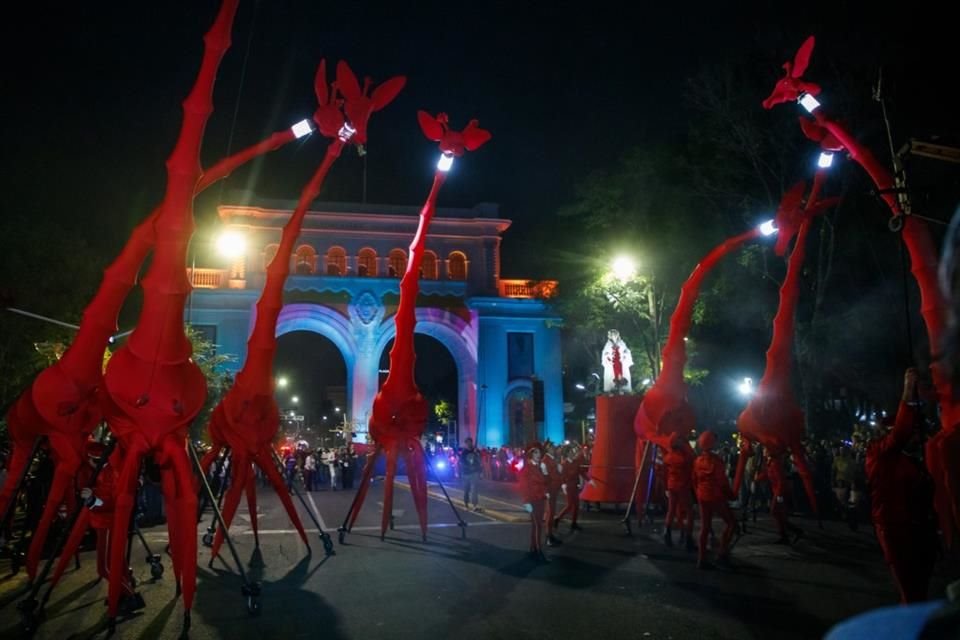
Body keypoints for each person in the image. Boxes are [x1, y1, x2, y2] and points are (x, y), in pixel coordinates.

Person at [866, 367, 938, 603]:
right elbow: (900, 434)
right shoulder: (879, 454)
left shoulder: (915, 458)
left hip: (920, 527)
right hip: (893, 526)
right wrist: (907, 392)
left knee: (921, 584)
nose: (915, 435)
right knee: (909, 588)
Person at [693, 430, 738, 569]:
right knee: (731, 524)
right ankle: (722, 553)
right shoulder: (717, 462)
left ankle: (701, 559)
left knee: (705, 528)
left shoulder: (697, 461)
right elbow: (723, 482)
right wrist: (731, 495)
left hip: (702, 497)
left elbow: (694, 480)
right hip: (716, 497)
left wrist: (698, 492)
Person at [757, 446, 804, 544]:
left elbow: (780, 480)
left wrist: (779, 495)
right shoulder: (769, 462)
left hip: (781, 492)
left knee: (775, 512)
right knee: (778, 514)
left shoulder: (775, 463)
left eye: (765, 450)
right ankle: (786, 534)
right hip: (777, 492)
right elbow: (766, 474)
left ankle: (792, 532)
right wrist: (757, 478)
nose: (763, 451)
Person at [663, 434, 696, 551]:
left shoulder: (668, 457)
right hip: (683, 486)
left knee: (671, 510)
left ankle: (666, 533)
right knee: (690, 512)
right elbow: (692, 458)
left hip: (671, 486)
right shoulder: (684, 458)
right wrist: (685, 445)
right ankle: (688, 538)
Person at [520, 442, 549, 561]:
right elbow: (523, 486)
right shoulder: (527, 468)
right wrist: (526, 502)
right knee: (538, 525)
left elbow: (546, 482)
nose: (538, 454)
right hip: (532, 500)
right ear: (530, 455)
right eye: (535, 452)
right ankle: (538, 551)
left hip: (540, 499)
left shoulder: (540, 466)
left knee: (536, 525)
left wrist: (545, 471)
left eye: (539, 452)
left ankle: (532, 548)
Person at [555, 444, 587, 531]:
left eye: (573, 452)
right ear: (567, 454)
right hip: (569, 487)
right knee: (570, 505)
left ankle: (574, 523)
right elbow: (562, 476)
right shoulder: (564, 464)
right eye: (571, 452)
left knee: (576, 506)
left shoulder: (576, 462)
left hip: (575, 486)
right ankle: (557, 519)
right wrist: (563, 485)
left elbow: (581, 472)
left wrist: (589, 480)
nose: (573, 453)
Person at [542, 442, 563, 546]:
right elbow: (544, 478)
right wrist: (546, 491)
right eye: (551, 447)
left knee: (552, 513)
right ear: (547, 449)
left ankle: (550, 535)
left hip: (554, 489)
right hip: (550, 490)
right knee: (549, 514)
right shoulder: (545, 460)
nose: (554, 448)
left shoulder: (553, 459)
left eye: (553, 447)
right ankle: (548, 537)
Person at [459, 438, 483, 512]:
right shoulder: (464, 452)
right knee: (466, 490)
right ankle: (466, 504)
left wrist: (476, 453)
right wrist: (469, 467)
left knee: (474, 490)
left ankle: (474, 505)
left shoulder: (476, 451)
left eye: (470, 442)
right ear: (466, 444)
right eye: (467, 443)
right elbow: (462, 463)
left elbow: (479, 461)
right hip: (466, 473)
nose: (469, 444)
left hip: (474, 473)